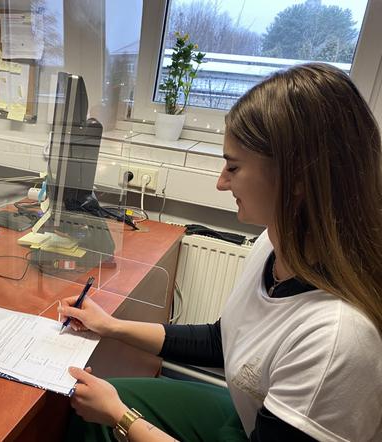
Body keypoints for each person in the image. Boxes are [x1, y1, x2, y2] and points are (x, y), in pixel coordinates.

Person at [60, 63, 382, 441]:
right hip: (253, 418)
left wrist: (122, 417)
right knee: (88, 410)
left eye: (233, 166)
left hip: (260, 429)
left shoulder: (336, 340)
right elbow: (222, 340)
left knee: (107, 413)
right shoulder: (274, 244)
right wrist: (111, 327)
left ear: (296, 179)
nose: (220, 182)